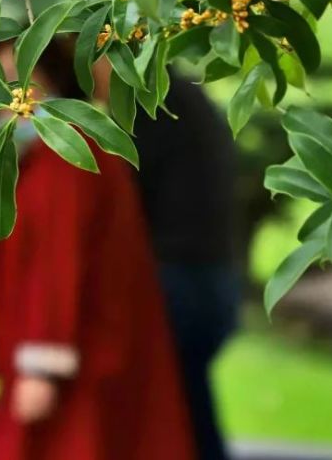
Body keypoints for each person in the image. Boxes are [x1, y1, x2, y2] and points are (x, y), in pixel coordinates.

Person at [0, 37, 195, 460]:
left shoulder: (67, 155)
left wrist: (40, 364)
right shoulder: (56, 152)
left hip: (82, 361)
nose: (6, 98)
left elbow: (57, 265)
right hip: (82, 354)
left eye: (18, 83)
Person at [129, 73, 242, 460]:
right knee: (187, 410)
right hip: (210, 279)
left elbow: (118, 194)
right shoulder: (180, 95)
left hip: (182, 285)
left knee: (179, 420)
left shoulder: (152, 103)